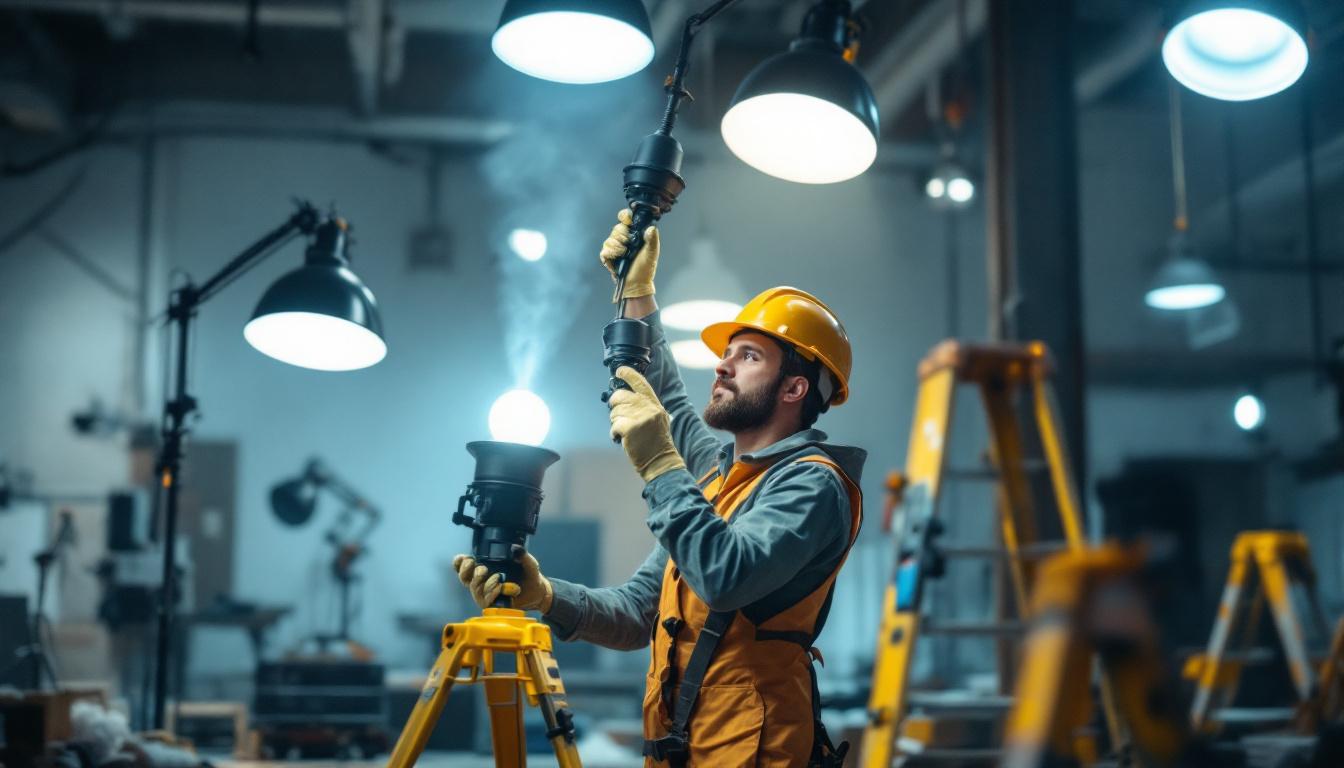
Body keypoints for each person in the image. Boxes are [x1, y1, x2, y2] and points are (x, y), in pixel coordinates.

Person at [454, 210, 865, 767]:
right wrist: (545, 596)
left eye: (748, 357)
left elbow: (726, 575)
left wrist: (657, 462)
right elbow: (633, 615)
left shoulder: (813, 483)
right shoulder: (719, 478)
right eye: (726, 353)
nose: (722, 368)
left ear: (795, 387)